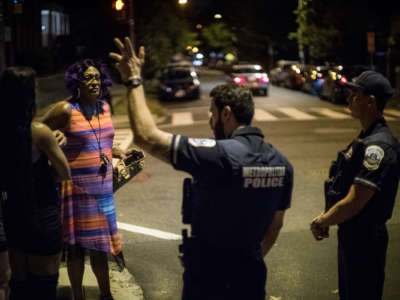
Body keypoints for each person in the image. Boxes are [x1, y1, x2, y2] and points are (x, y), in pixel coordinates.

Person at [109, 37, 293, 300]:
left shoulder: (217, 155)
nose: (209, 119)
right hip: (251, 276)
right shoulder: (282, 163)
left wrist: (133, 79)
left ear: (226, 113)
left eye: (212, 112)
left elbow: (147, 136)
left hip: (209, 279)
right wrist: (244, 262)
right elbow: (274, 228)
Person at [40, 59, 128, 300]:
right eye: (88, 78)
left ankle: (105, 294)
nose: (94, 82)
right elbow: (37, 129)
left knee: (101, 246)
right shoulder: (66, 110)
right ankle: (78, 296)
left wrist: (116, 150)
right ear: (76, 83)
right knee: (76, 248)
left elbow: (103, 139)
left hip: (102, 190)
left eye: (97, 77)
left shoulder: (105, 108)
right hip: (76, 188)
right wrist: (53, 138)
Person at [310, 71, 400, 300]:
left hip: (365, 238)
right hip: (352, 234)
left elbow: (357, 198)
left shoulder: (378, 146)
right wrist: (331, 216)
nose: (349, 99)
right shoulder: (365, 138)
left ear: (371, 101)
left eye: (355, 95)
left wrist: (323, 220)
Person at [0, 66, 71, 300]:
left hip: (13, 218)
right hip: (42, 217)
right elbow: (64, 173)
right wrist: (56, 144)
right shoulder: (39, 132)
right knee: (45, 287)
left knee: (20, 288)